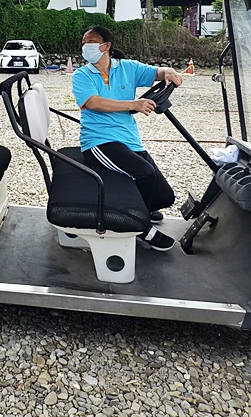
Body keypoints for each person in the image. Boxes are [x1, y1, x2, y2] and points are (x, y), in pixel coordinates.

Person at [71, 26, 183, 252]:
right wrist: (134, 104)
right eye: (84, 42)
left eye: (91, 41)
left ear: (106, 46)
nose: (86, 46)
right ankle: (139, 227)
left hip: (128, 139)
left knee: (165, 197)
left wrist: (168, 72)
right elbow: (93, 102)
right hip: (99, 141)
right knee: (145, 172)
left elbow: (157, 72)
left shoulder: (128, 68)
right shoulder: (82, 75)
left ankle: (139, 209)